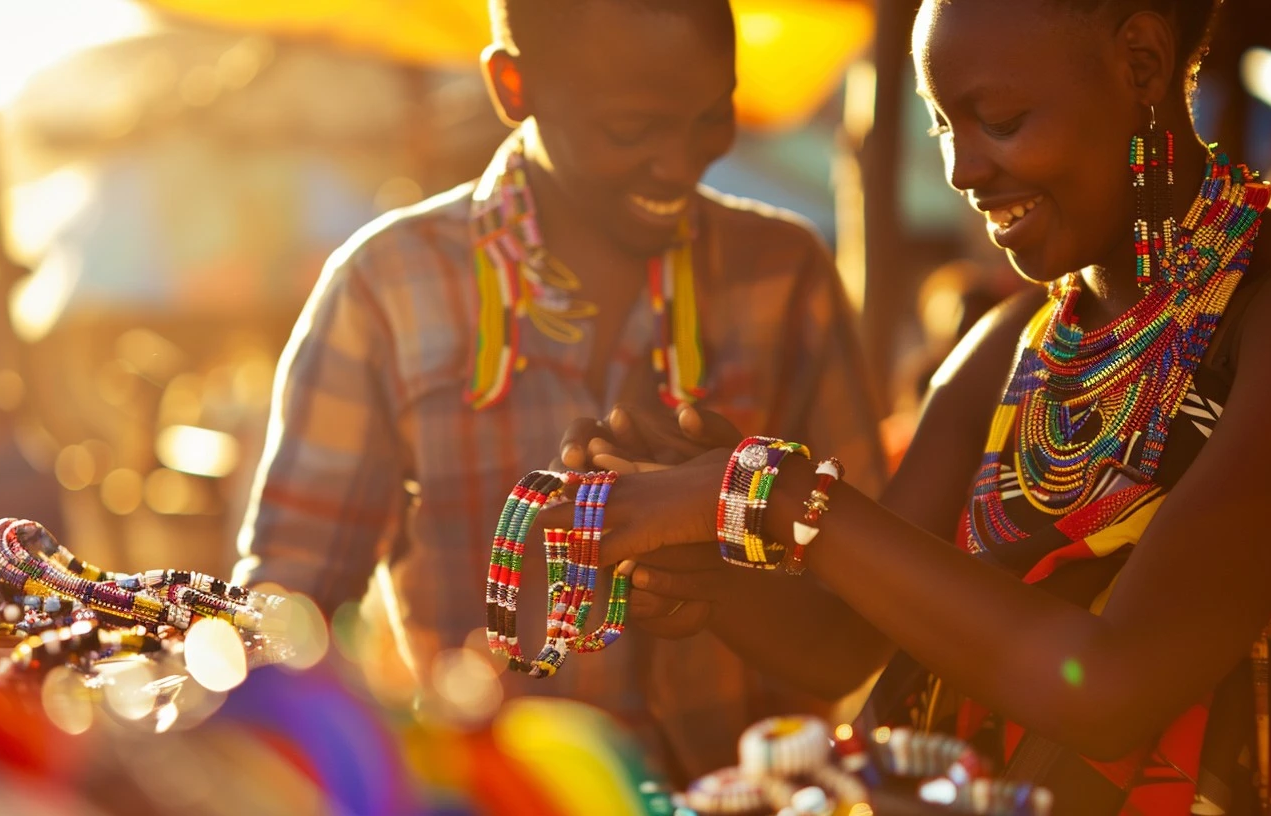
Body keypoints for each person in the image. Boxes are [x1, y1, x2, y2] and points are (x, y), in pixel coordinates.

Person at [556, 0, 1271, 811]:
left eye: (1000, 120)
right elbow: (843, 642)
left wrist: (774, 492)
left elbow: (1112, 685)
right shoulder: (1011, 349)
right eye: (943, 127)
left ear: (1142, 64)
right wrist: (714, 544)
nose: (962, 170)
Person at [233, 0, 885, 782]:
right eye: (631, 130)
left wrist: (717, 555)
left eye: (712, 118)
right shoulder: (388, 291)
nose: (681, 164)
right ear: (513, 86)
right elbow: (286, 618)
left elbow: (863, 618)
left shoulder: (783, 276)